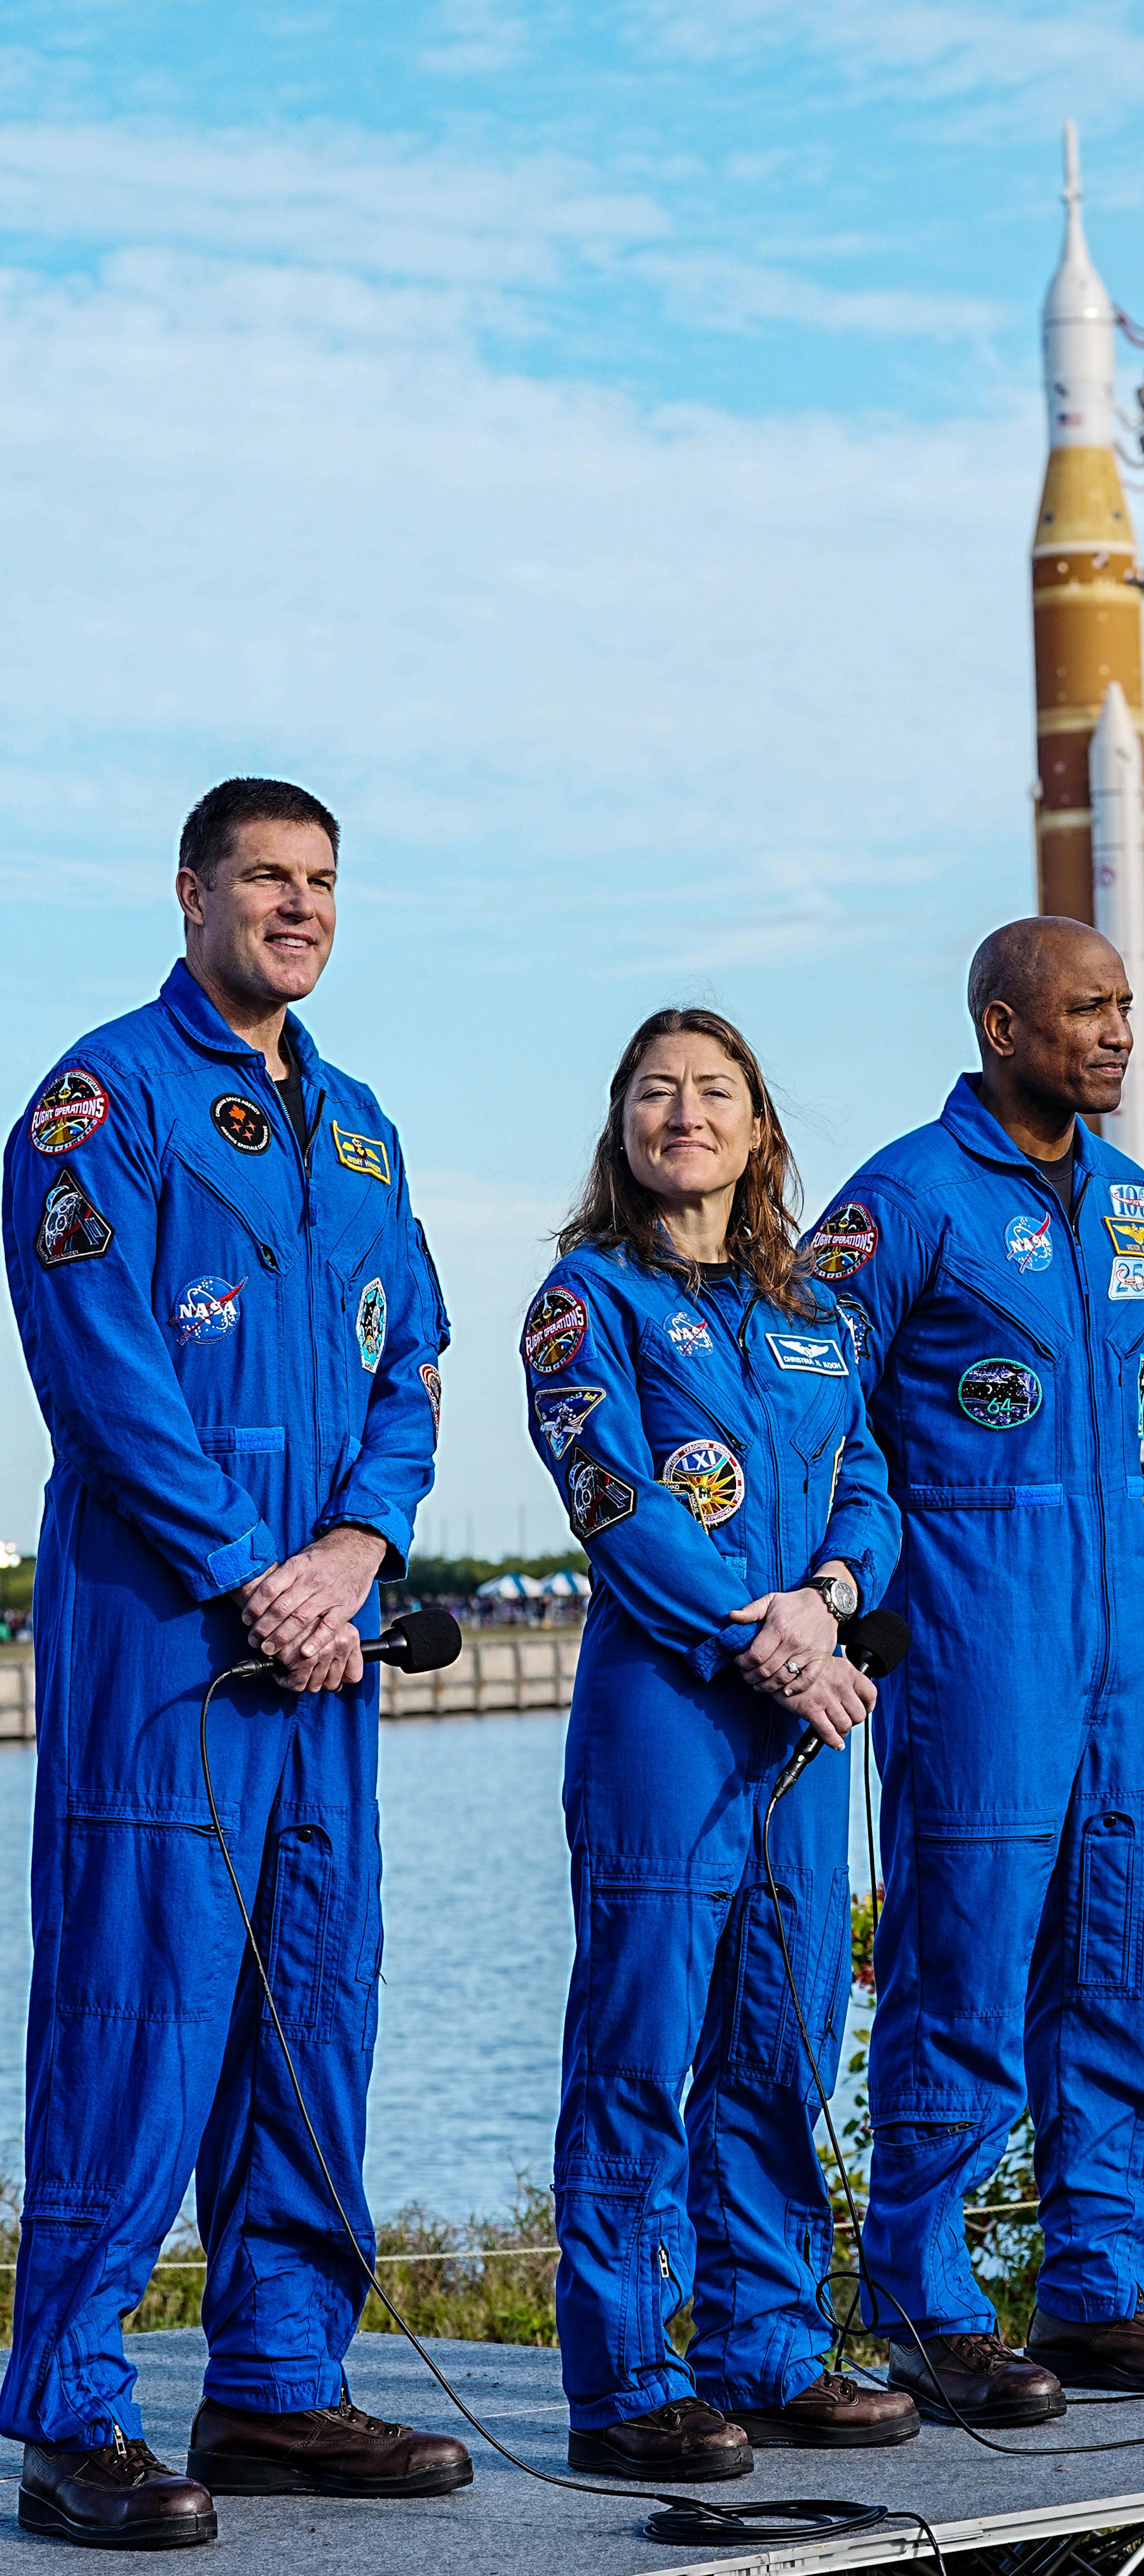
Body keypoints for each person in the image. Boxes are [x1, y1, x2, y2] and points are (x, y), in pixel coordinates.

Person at [0, 779, 466, 2549]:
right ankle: (69, 2403)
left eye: (323, 881)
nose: (297, 906)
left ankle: (276, 2379)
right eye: (265, 876)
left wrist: (354, 1547)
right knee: (141, 2003)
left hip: (325, 1644)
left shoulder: (360, 1129)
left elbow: (410, 1355)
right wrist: (251, 1572)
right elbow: (98, 1364)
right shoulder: (97, 1099)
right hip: (168, 1645)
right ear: (190, 890)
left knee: (312, 2000)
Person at [814, 917, 1144, 2424]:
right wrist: (857, 1583)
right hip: (974, 1616)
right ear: (1002, 1025)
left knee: (1126, 1943)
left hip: (1122, 1613)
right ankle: (925, 2296)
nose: (1118, 1032)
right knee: (967, 1959)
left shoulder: (1133, 1204)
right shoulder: (905, 1197)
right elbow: (812, 1399)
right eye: (1086, 1010)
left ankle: (1099, 2281)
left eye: (1127, 1004)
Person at [521, 1007, 914, 2481]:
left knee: (781, 2035)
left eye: (714, 1093)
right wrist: (761, 1638)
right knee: (640, 2044)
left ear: (758, 1129)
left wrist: (824, 1599)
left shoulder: (814, 1312)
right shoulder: (586, 1300)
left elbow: (867, 1484)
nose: (683, 1113)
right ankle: (624, 2379)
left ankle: (766, 2344)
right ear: (620, 1121)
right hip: (672, 1717)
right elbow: (615, 1495)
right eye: (654, 1091)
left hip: (803, 1732)